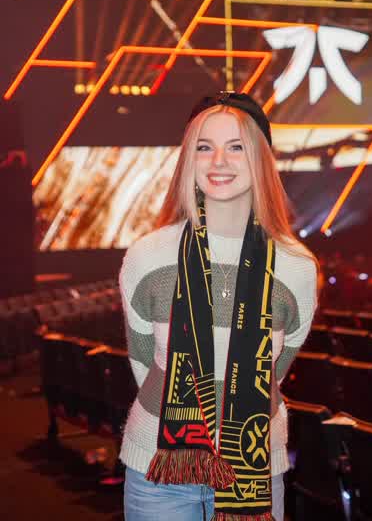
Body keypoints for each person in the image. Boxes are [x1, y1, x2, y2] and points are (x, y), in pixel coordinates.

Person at [119, 91, 318, 521]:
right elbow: (143, 363)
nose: (219, 161)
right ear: (188, 159)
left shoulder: (296, 267)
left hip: (254, 468)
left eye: (236, 147)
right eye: (204, 147)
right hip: (158, 468)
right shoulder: (147, 256)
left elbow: (276, 369)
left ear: (261, 158)